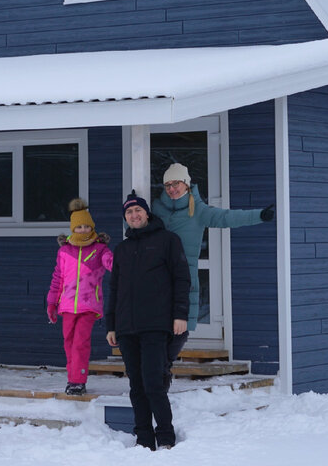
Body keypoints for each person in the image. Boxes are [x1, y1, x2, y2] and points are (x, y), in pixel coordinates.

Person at [151, 163, 274, 369]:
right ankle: (157, 373)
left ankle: (162, 369)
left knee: (180, 333)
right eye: (168, 184)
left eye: (176, 183)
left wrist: (259, 215)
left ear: (186, 184)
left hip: (184, 279)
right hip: (156, 279)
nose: (172, 188)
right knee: (156, 330)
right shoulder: (156, 208)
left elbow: (227, 217)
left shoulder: (198, 210)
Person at [106, 191, 190, 451]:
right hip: (127, 327)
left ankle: (165, 437)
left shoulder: (168, 241)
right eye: (129, 212)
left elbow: (182, 279)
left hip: (156, 324)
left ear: (146, 213)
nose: (134, 215)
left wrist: (180, 315)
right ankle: (143, 439)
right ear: (126, 218)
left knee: (154, 382)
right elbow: (115, 289)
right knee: (137, 385)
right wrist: (111, 325)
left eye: (137, 210)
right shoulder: (122, 249)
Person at [46, 198, 113, 396]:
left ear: (92, 227)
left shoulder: (100, 249)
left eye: (86, 226)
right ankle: (72, 377)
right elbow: (57, 278)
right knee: (68, 342)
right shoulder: (64, 251)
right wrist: (51, 303)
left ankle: (78, 380)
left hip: (88, 306)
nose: (83, 230)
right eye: (79, 227)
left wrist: (119, 262)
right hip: (66, 306)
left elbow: (111, 263)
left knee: (80, 342)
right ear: (72, 229)